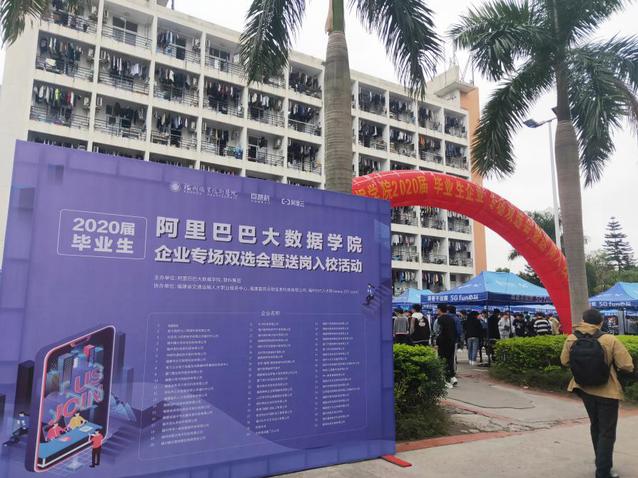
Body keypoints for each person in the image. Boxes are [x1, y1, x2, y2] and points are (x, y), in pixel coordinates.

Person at [560, 309, 634, 478]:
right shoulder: (609, 339)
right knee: (607, 431)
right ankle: (603, 471)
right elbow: (626, 365)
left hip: (584, 389)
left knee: (596, 426)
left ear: (583, 320)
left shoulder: (571, 338)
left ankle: (600, 461)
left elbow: (564, 361)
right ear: (601, 322)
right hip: (607, 391)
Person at [435, 304, 458, 387]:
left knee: (442, 360)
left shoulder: (439, 319)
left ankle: (444, 379)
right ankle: (452, 377)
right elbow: (455, 331)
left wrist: (437, 342)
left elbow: (437, 331)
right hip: (451, 342)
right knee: (450, 360)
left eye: (437, 309)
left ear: (439, 310)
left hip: (442, 342)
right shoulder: (451, 319)